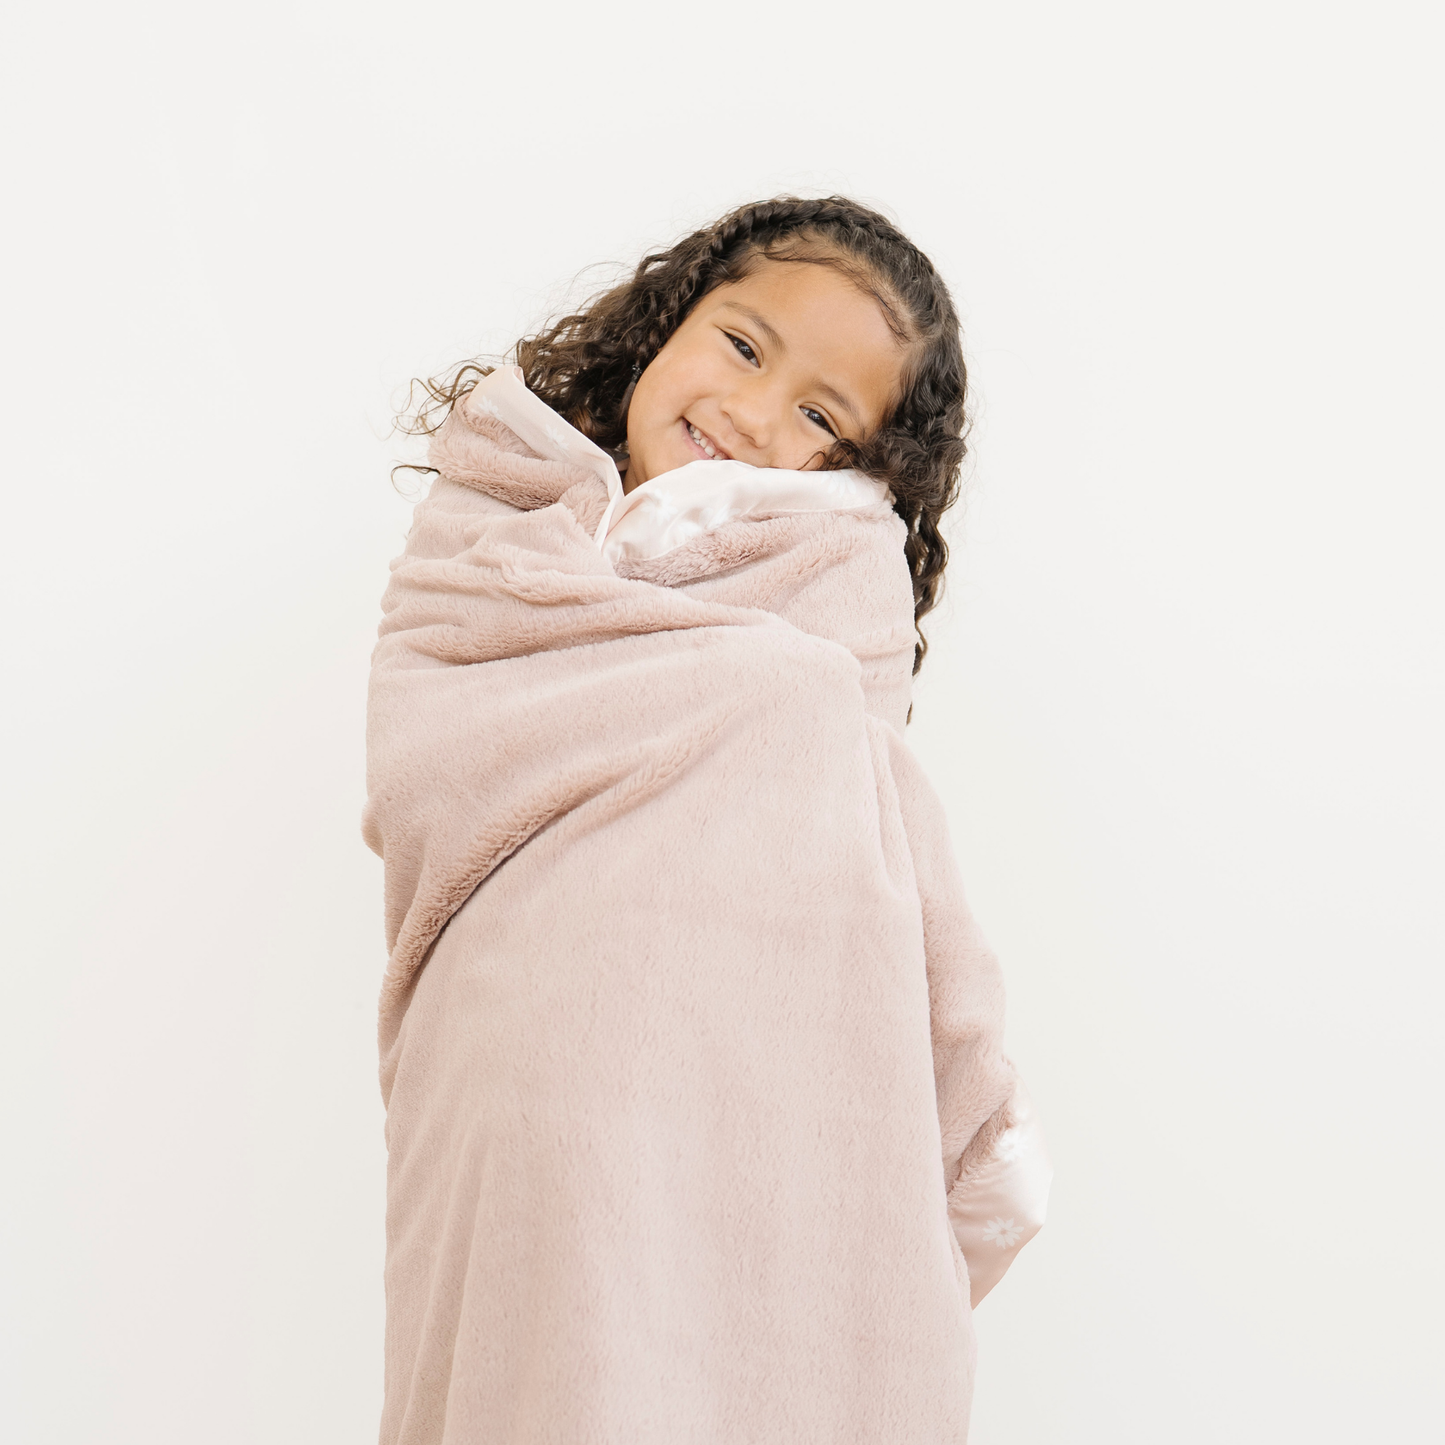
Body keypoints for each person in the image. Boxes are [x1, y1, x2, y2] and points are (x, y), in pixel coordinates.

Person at [364, 195, 1051, 1444]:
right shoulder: (491, 532)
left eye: (819, 417)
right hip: (516, 1080)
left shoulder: (824, 624)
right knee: (540, 1367)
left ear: (858, 477)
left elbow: (889, 860)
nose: (751, 409)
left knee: (704, 1361)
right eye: (742, 345)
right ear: (668, 322)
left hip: (734, 1103)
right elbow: (430, 765)